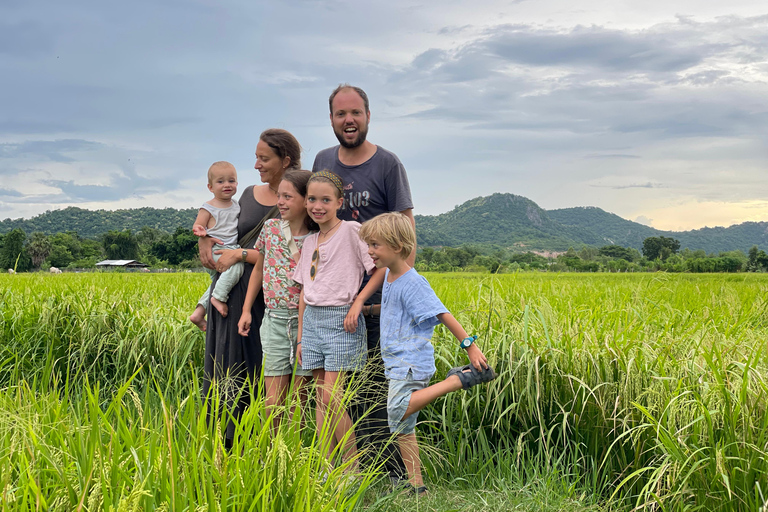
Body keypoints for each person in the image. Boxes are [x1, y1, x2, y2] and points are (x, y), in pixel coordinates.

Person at [312, 83, 414, 481]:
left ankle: (389, 473)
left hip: (377, 301)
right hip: (332, 306)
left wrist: (397, 286)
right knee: (340, 392)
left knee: (379, 385)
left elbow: (405, 230)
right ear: (332, 120)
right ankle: (342, 469)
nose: (348, 120)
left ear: (368, 116)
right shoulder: (323, 160)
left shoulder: (387, 164)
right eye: (341, 114)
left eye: (355, 113)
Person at [359, 212, 497, 495]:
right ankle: (417, 486)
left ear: (397, 247)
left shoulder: (413, 281)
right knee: (403, 427)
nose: (369, 251)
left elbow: (441, 312)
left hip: (409, 362)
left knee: (396, 411)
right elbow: (397, 312)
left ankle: (456, 381)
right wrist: (368, 310)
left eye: (375, 245)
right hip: (397, 361)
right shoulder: (390, 275)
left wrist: (470, 346)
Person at [199, 128, 302, 448]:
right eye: (256, 157)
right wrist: (205, 239)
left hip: (268, 298)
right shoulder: (246, 196)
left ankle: (264, 442)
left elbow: (284, 251)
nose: (256, 165)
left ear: (285, 161)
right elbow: (225, 230)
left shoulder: (297, 200)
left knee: (262, 367)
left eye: (264, 158)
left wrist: (240, 254)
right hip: (232, 293)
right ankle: (223, 439)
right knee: (227, 363)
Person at [293, 171, 385, 472]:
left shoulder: (352, 231)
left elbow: (380, 268)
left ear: (339, 202)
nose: (317, 206)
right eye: (312, 199)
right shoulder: (310, 241)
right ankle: (326, 465)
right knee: (320, 396)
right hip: (313, 323)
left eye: (325, 200)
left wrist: (359, 301)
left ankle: (352, 467)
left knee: (333, 398)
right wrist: (301, 337)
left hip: (341, 320)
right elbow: (306, 291)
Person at [237, 170, 316, 432]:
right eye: (279, 196)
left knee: (299, 402)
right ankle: (269, 457)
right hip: (274, 319)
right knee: (272, 402)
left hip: (307, 323)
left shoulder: (316, 240)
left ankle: (291, 458)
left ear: (306, 201)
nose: (280, 202)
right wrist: (247, 309)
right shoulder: (270, 229)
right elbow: (258, 269)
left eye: (287, 196)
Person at [190, 161, 242, 331]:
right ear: (210, 187)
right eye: (220, 182)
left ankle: (199, 313)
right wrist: (201, 233)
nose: (227, 185)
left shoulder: (236, 205)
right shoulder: (208, 207)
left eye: (231, 181)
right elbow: (198, 225)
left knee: (216, 283)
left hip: (230, 248)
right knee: (238, 265)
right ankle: (218, 298)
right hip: (216, 251)